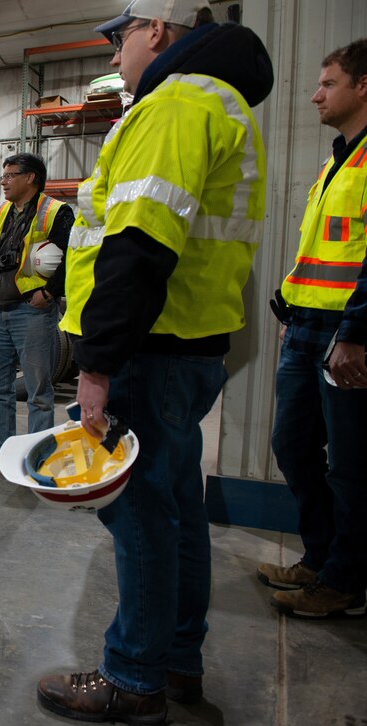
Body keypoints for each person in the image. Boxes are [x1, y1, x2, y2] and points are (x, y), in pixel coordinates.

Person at [35, 1, 272, 723]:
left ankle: (133, 679)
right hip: (190, 344)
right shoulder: (225, 104)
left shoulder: (174, 105)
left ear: (157, 32)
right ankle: (175, 664)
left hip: (147, 348)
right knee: (176, 512)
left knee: (137, 515)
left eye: (119, 39)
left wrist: (98, 366)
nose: (113, 58)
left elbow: (138, 246)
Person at [261, 39, 367, 620]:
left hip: (346, 334)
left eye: (328, 83)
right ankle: (321, 558)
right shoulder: (337, 161)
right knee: (293, 445)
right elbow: (319, 251)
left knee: (350, 465)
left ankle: (346, 581)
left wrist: (354, 331)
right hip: (306, 329)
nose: (315, 94)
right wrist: (290, 313)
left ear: (363, 85)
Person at [0, 152, 74, 471]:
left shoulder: (56, 212)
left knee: (39, 388)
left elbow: (70, 257)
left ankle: (38, 455)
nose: (4, 181)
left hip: (31, 311)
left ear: (30, 178)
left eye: (10, 175)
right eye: (3, 176)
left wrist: (50, 292)